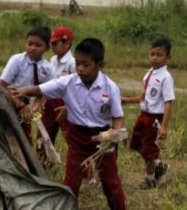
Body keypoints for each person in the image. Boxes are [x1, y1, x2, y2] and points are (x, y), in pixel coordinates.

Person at [11, 38, 126, 209]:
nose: (79, 68)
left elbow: (117, 116)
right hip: (78, 138)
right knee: (71, 183)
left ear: (100, 65)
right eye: (78, 63)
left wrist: (113, 137)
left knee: (111, 183)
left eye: (85, 64)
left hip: (103, 139)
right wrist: (23, 90)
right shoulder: (68, 82)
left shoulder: (110, 87)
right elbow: (42, 89)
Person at [122, 38, 175, 189]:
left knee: (149, 150)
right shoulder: (150, 73)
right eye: (152, 54)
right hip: (143, 115)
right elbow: (145, 96)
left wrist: (164, 127)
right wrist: (127, 100)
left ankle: (150, 178)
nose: (155, 58)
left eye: (159, 55)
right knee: (137, 144)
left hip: (154, 119)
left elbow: (168, 102)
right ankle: (159, 165)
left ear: (168, 58)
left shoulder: (166, 77)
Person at [0, 26, 53, 141]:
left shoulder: (47, 68)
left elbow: (44, 92)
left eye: (38, 45)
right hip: (10, 100)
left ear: (47, 48)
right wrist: (20, 105)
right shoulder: (17, 61)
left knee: (24, 137)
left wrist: (36, 104)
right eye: (30, 44)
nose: (32, 48)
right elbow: (2, 86)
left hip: (27, 105)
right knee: (5, 135)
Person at [36, 26, 75, 155]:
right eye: (51, 43)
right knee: (44, 133)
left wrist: (69, 105)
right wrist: (42, 98)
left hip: (65, 102)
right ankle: (44, 162)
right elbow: (48, 82)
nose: (52, 46)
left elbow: (76, 86)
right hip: (50, 101)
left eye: (55, 43)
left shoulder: (72, 62)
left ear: (67, 43)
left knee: (70, 135)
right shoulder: (52, 60)